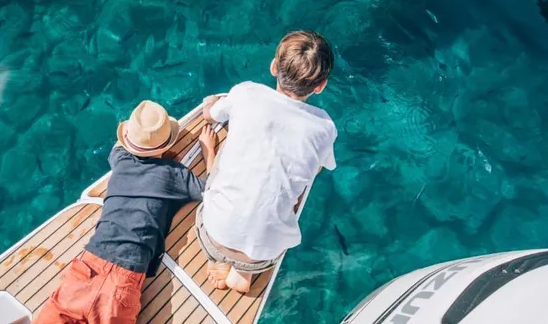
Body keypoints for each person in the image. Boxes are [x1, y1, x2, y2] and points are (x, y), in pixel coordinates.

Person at [33, 100, 220, 324]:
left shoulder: (120, 160)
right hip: (124, 279)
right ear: (167, 144)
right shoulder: (174, 175)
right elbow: (213, 191)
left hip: (88, 267)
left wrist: (153, 150)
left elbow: (119, 147)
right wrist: (209, 151)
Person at [197, 30, 337, 293]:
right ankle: (242, 274)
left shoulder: (246, 93)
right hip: (263, 253)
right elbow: (318, 168)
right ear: (320, 86)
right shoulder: (325, 128)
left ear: (274, 67)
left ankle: (220, 259)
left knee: (230, 155)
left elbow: (209, 116)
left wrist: (213, 103)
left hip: (212, 234)